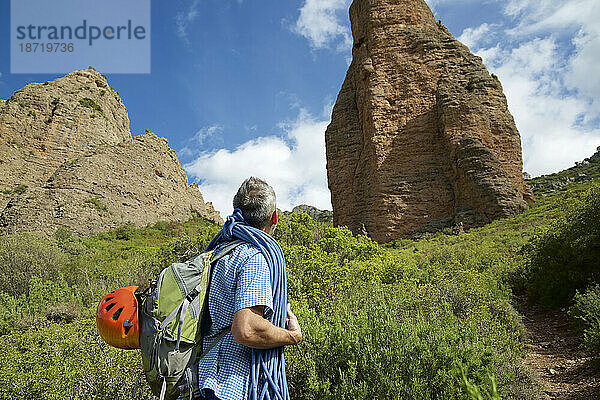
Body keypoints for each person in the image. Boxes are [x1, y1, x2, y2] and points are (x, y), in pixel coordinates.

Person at [197, 177, 302, 400]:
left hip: (201, 378)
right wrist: (292, 335)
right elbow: (246, 329)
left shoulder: (215, 254)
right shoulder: (252, 258)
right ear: (274, 217)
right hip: (230, 386)